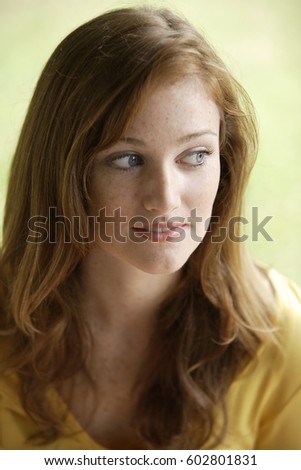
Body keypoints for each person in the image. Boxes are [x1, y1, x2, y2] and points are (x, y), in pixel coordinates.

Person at [0, 6, 300, 451]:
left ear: (226, 163)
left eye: (196, 156)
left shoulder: (279, 337)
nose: (165, 198)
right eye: (127, 158)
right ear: (61, 172)